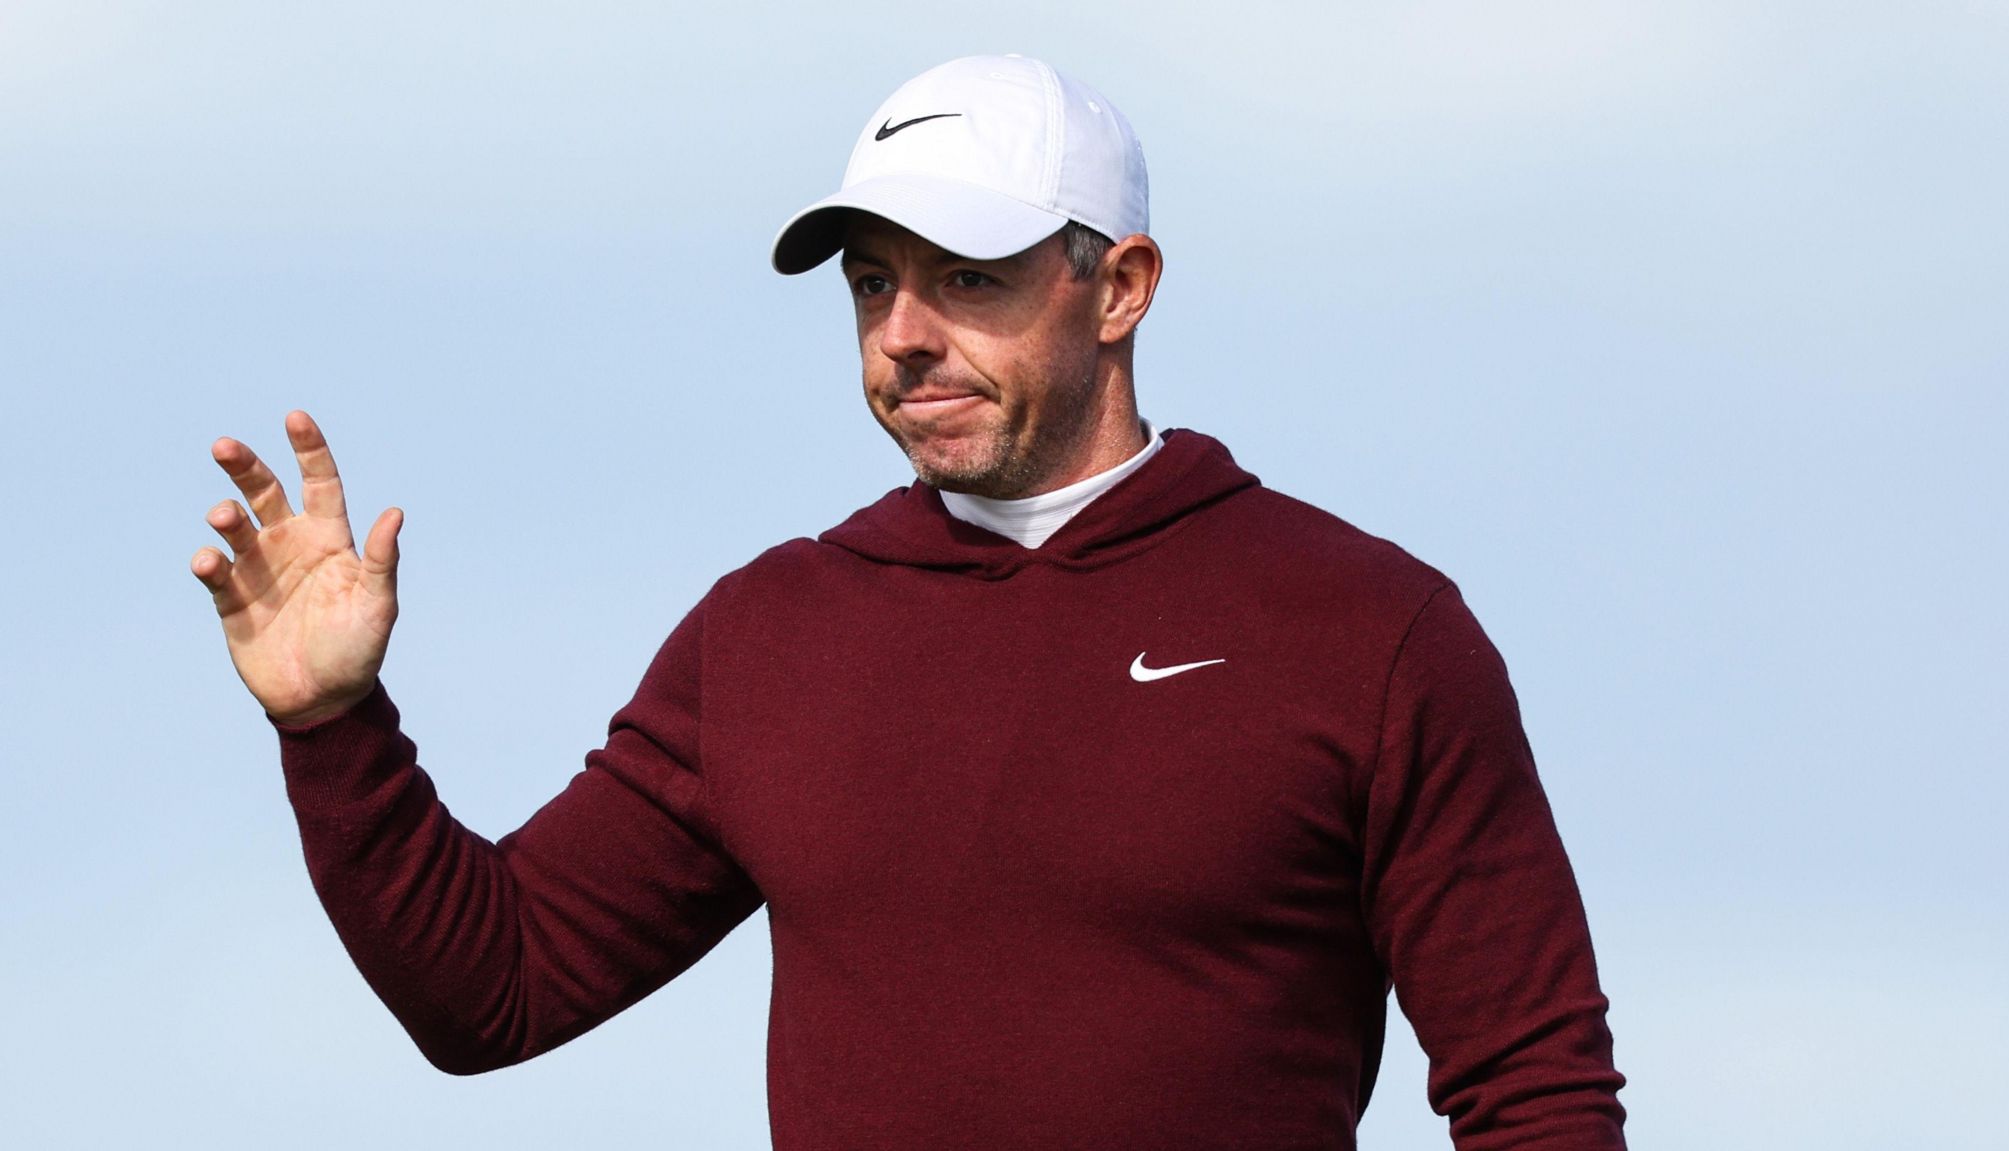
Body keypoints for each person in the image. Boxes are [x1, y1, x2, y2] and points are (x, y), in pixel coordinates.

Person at [191, 54, 1625, 1150]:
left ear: (1120, 285)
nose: (902, 340)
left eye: (966, 280)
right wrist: (335, 729)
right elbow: (493, 988)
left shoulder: (1365, 630)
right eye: (873, 287)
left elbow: (1536, 1095)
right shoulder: (770, 637)